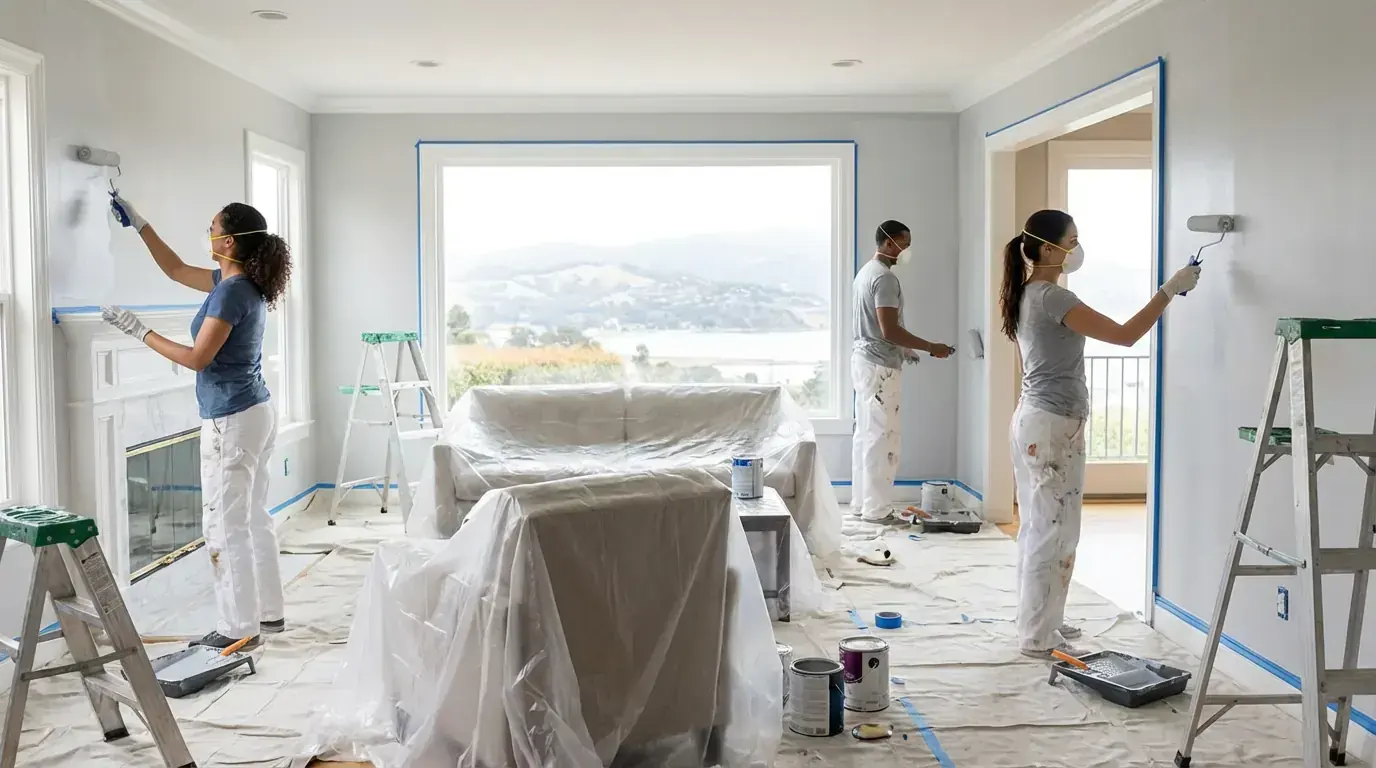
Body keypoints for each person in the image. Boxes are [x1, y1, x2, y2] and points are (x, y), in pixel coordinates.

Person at [1001, 209, 1200, 658]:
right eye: (1071, 240)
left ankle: (1041, 621)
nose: (1076, 247)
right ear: (1048, 248)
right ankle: (1037, 636)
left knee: (1039, 526)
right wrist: (1169, 290)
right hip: (1051, 425)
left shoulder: (1026, 292)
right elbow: (1126, 335)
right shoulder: (1053, 297)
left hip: (1034, 419)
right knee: (1055, 532)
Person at [102, 195, 293, 651]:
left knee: (223, 526)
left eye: (211, 228)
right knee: (251, 518)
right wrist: (140, 223)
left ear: (227, 240)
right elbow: (173, 269)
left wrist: (139, 331)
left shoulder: (230, 291)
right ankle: (267, 615)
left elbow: (196, 358)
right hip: (255, 411)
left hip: (232, 419)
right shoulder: (236, 282)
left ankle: (237, 629)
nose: (206, 234)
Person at [850, 220, 954, 523]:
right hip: (880, 368)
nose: (905, 250)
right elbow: (889, 329)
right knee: (883, 440)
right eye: (902, 243)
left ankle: (862, 504)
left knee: (867, 436)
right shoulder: (884, 279)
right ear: (886, 242)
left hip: (865, 362)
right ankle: (878, 510)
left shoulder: (864, 274)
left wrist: (904, 349)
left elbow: (876, 328)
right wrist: (929, 346)